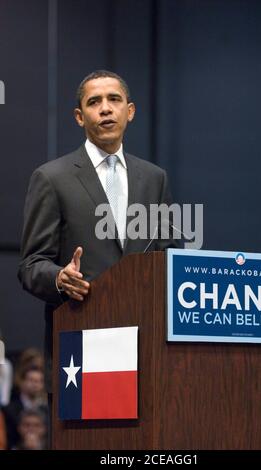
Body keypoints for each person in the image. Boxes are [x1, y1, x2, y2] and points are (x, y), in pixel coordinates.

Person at [18, 70, 177, 391]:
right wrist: (59, 279)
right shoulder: (52, 178)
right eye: (94, 102)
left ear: (129, 112)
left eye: (114, 100)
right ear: (80, 117)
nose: (105, 108)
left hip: (145, 348)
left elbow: (170, 256)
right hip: (81, 346)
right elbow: (31, 265)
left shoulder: (154, 178)